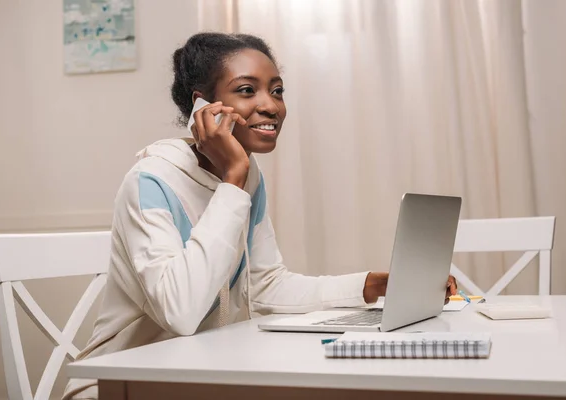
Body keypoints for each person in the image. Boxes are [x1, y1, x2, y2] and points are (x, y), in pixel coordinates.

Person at [63, 32, 457, 400]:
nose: (271, 105)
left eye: (277, 90)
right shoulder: (150, 181)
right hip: (121, 382)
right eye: (247, 90)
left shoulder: (248, 177)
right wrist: (233, 178)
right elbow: (180, 311)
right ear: (203, 107)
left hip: (205, 373)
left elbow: (267, 286)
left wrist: (373, 285)